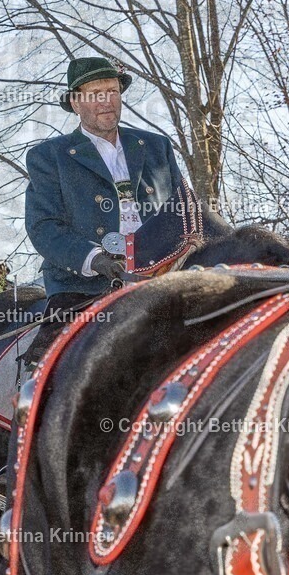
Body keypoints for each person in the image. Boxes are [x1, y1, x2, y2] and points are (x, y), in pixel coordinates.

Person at [24, 56, 194, 360]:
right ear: (76, 103)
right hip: (83, 286)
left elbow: (185, 211)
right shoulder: (49, 156)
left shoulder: (156, 147)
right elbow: (44, 227)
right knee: (47, 364)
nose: (106, 102)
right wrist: (95, 259)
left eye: (112, 92)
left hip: (162, 275)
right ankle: (30, 396)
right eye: (95, 95)